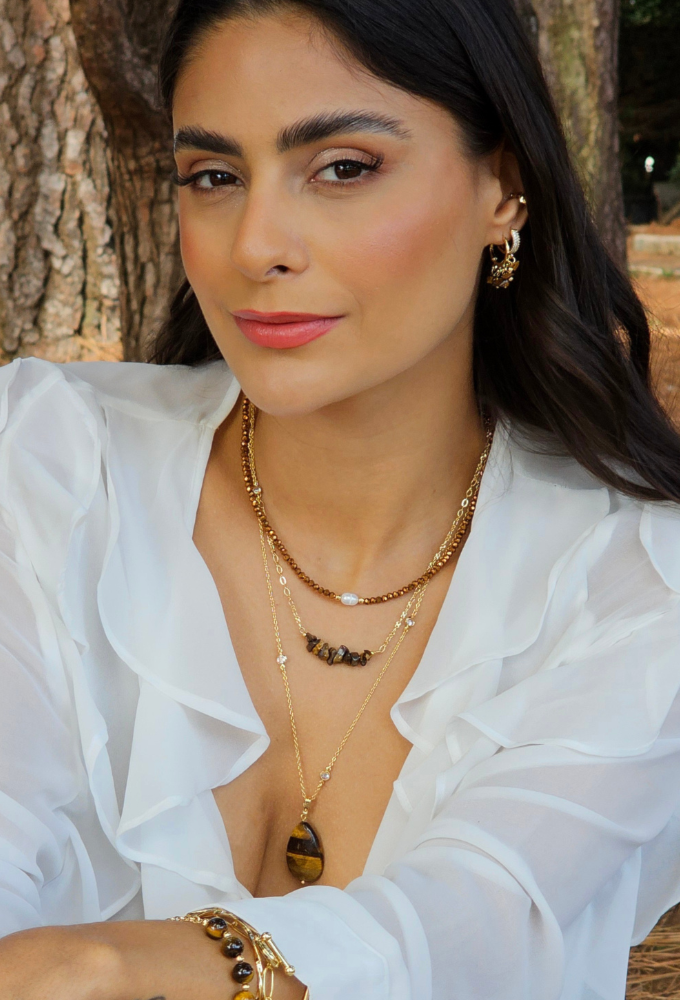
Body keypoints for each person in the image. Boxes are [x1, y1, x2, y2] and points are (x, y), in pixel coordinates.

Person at [1, 0, 680, 997]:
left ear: (504, 185)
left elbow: (466, 925)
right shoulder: (48, 469)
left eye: (343, 168)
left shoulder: (638, 586)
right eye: (214, 176)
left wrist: (108, 963)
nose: (255, 246)